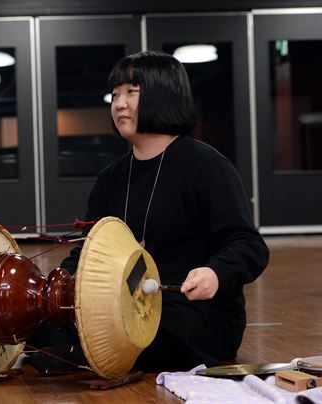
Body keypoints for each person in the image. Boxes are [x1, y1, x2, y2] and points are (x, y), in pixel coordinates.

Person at [25, 50, 269, 372]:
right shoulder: (110, 178)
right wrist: (63, 287)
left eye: (131, 93)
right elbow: (87, 250)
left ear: (163, 95)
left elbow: (248, 244)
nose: (118, 103)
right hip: (121, 309)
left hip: (192, 314)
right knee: (37, 323)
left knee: (156, 330)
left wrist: (216, 272)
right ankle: (85, 354)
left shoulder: (208, 167)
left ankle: (79, 356)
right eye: (115, 94)